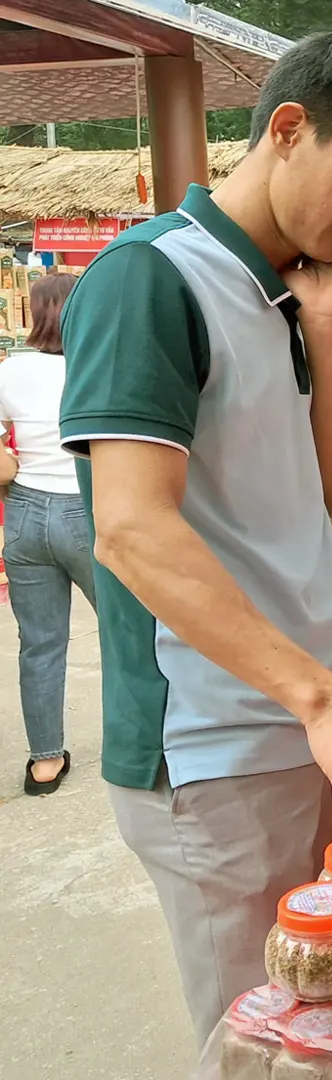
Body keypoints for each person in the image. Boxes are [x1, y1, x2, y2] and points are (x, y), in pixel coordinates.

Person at [58, 33, 332, 1043]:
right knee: (260, 1043)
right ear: (286, 130)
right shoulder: (153, 277)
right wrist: (321, 699)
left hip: (313, 723)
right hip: (215, 746)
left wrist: (327, 330)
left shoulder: (292, 294)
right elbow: (133, 531)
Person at [0, 274, 96, 795]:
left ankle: (44, 762)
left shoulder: (9, 370)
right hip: (88, 510)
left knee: (39, 644)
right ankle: (157, 737)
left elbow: (2, 466)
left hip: (25, 516)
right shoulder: (96, 364)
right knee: (131, 633)